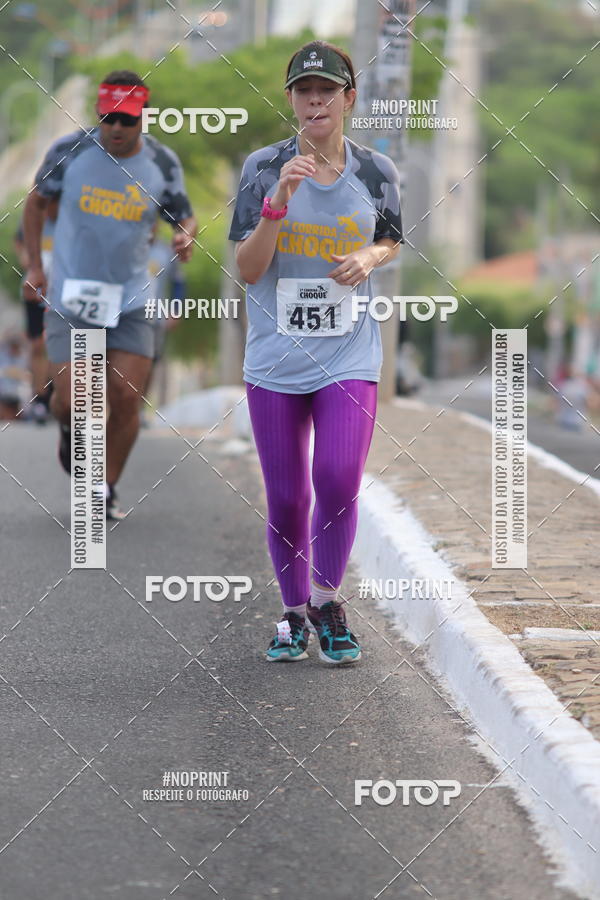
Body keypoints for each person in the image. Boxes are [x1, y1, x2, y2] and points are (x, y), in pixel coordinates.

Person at [229, 41, 403, 664]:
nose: (316, 101)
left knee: (337, 477)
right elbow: (249, 270)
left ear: (348, 99)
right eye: (304, 91)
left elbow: (391, 238)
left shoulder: (377, 170)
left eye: (327, 90)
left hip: (348, 354)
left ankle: (328, 604)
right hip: (275, 360)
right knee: (286, 498)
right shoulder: (262, 167)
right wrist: (277, 203)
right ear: (291, 100)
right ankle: (293, 612)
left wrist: (369, 257)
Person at [22, 69, 197, 518]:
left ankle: (104, 487)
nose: (116, 128)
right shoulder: (70, 151)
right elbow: (36, 201)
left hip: (132, 299)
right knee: (74, 401)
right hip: (72, 297)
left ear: (143, 118)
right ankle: (68, 429)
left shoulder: (162, 163)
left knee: (124, 397)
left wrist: (184, 236)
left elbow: (184, 216)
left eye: (126, 119)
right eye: (108, 118)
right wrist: (36, 266)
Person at [14, 200, 58, 424]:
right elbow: (19, 241)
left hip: (61, 291)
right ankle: (39, 398)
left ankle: (52, 393)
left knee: (56, 344)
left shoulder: (68, 218)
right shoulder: (34, 216)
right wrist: (27, 258)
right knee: (37, 344)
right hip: (36, 290)